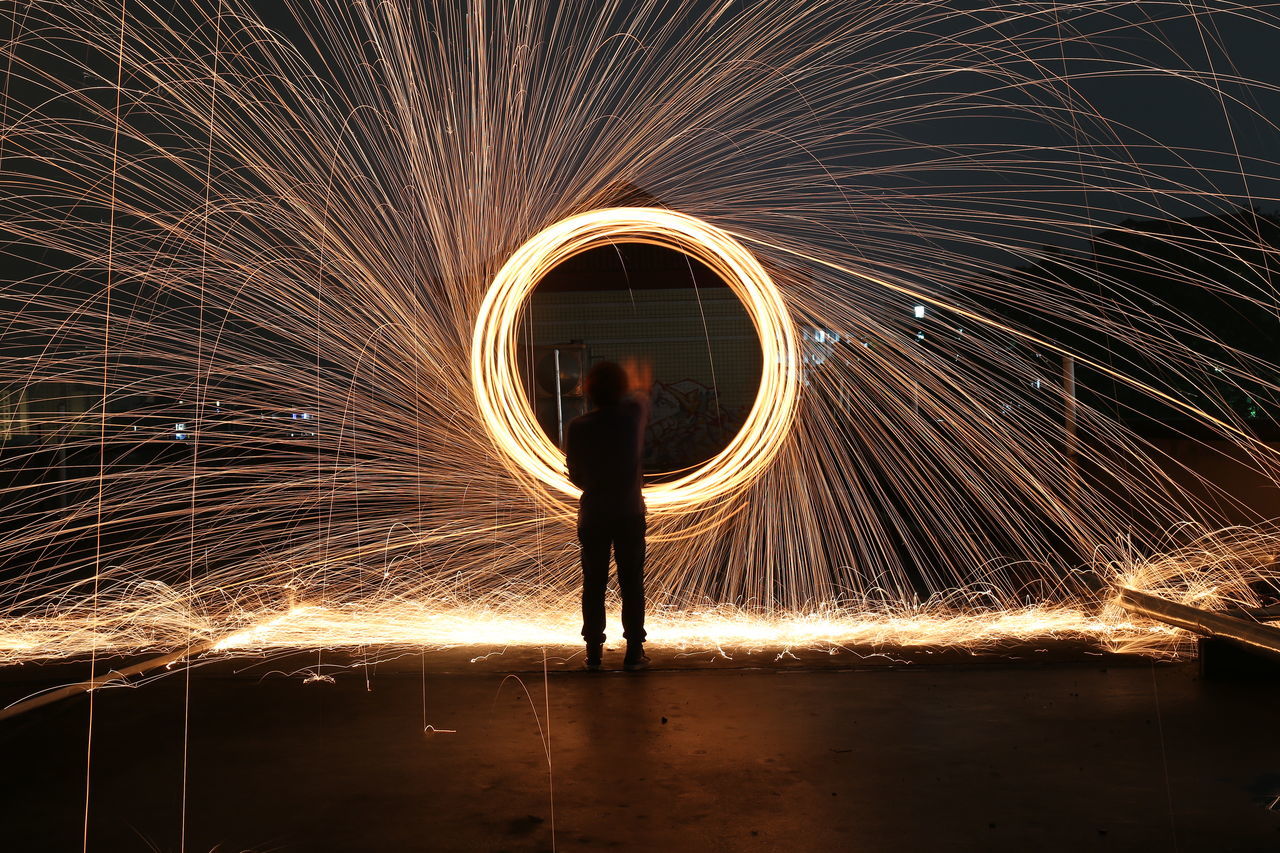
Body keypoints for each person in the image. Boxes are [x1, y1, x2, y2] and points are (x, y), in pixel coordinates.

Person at [565, 359, 651, 671]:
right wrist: (637, 382)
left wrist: (595, 480)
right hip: (628, 513)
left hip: (594, 516)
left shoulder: (578, 427)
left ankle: (593, 653)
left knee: (594, 583)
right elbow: (642, 397)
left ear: (589, 392)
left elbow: (575, 476)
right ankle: (633, 651)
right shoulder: (632, 418)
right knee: (632, 583)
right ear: (621, 390)